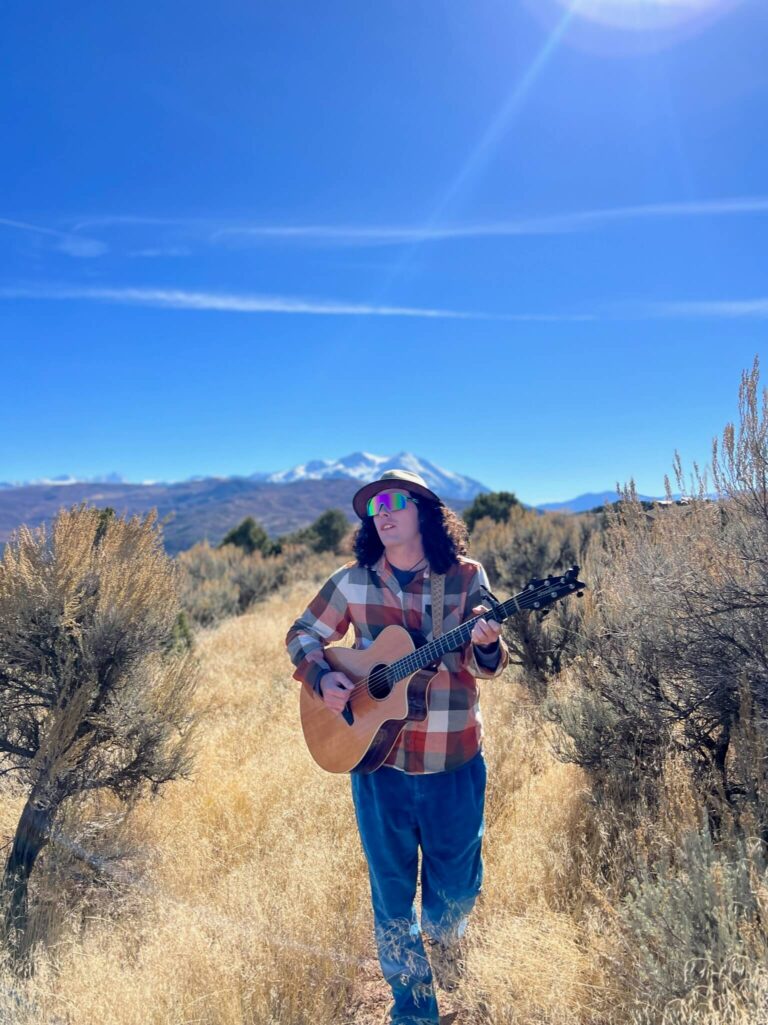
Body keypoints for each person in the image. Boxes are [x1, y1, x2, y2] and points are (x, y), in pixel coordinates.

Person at [285, 468, 509, 1025]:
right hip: (377, 764)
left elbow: (487, 664)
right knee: (390, 896)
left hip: (451, 759)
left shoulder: (465, 577)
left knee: (455, 890)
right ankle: (413, 1012)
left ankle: (446, 939)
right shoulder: (351, 581)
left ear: (423, 512)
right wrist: (322, 678)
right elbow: (302, 633)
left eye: (393, 502)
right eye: (373, 506)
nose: (381, 512)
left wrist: (487, 643)